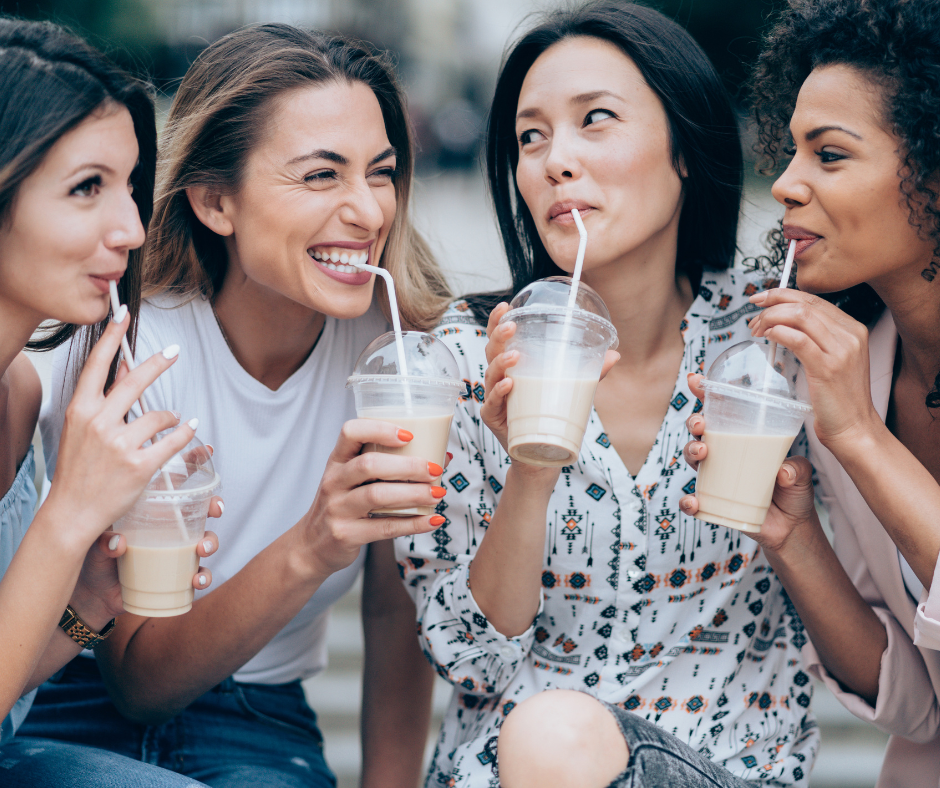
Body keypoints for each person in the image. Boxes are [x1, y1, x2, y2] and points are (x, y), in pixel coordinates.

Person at [395, 3, 818, 787]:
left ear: (685, 147)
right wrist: (528, 470)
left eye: (596, 120)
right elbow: (471, 662)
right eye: (531, 136)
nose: (556, 160)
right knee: (551, 735)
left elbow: (864, 647)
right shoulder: (460, 359)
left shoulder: (776, 346)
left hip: (722, 765)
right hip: (507, 769)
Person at [24, 23, 450, 788]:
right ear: (216, 201)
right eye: (322, 176)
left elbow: (395, 611)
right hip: (71, 693)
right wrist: (312, 544)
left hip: (263, 718)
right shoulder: (133, 346)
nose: (367, 211)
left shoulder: (401, 360)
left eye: (380, 172)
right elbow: (139, 684)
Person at [681, 0, 940, 785]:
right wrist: (794, 539)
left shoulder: (849, 408)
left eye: (828, 155)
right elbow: (913, 706)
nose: (786, 184)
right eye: (790, 152)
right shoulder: (843, 371)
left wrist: (864, 439)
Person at [0, 17, 219, 788]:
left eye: (130, 186)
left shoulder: (18, 393)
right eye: (87, 188)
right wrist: (70, 510)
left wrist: (91, 595)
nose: (131, 228)